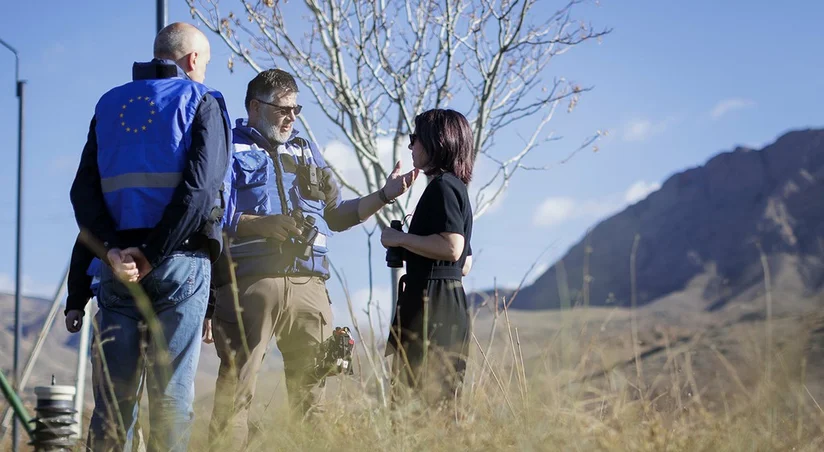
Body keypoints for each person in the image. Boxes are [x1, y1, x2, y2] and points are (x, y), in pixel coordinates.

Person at [206, 68, 417, 448]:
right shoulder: (228, 146)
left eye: (296, 109)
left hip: (310, 288)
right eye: (282, 109)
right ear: (255, 107)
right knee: (235, 396)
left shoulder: (306, 149)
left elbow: (337, 216)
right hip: (250, 286)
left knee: (312, 402)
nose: (291, 117)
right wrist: (260, 224)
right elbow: (212, 215)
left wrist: (385, 194)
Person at [68, 22, 232, 452]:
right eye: (206, 64)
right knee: (171, 399)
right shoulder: (204, 100)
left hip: (116, 268)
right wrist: (153, 254)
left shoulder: (107, 105)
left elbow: (81, 194)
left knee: (113, 404)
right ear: (193, 60)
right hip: (178, 264)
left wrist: (114, 251)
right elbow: (200, 193)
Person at [380, 108, 475, 415]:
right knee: (440, 406)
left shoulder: (443, 187)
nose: (410, 146)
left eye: (415, 138)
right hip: (448, 303)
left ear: (436, 142)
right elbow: (465, 263)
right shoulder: (456, 187)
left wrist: (400, 240)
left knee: (417, 409)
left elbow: (453, 248)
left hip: (431, 306)